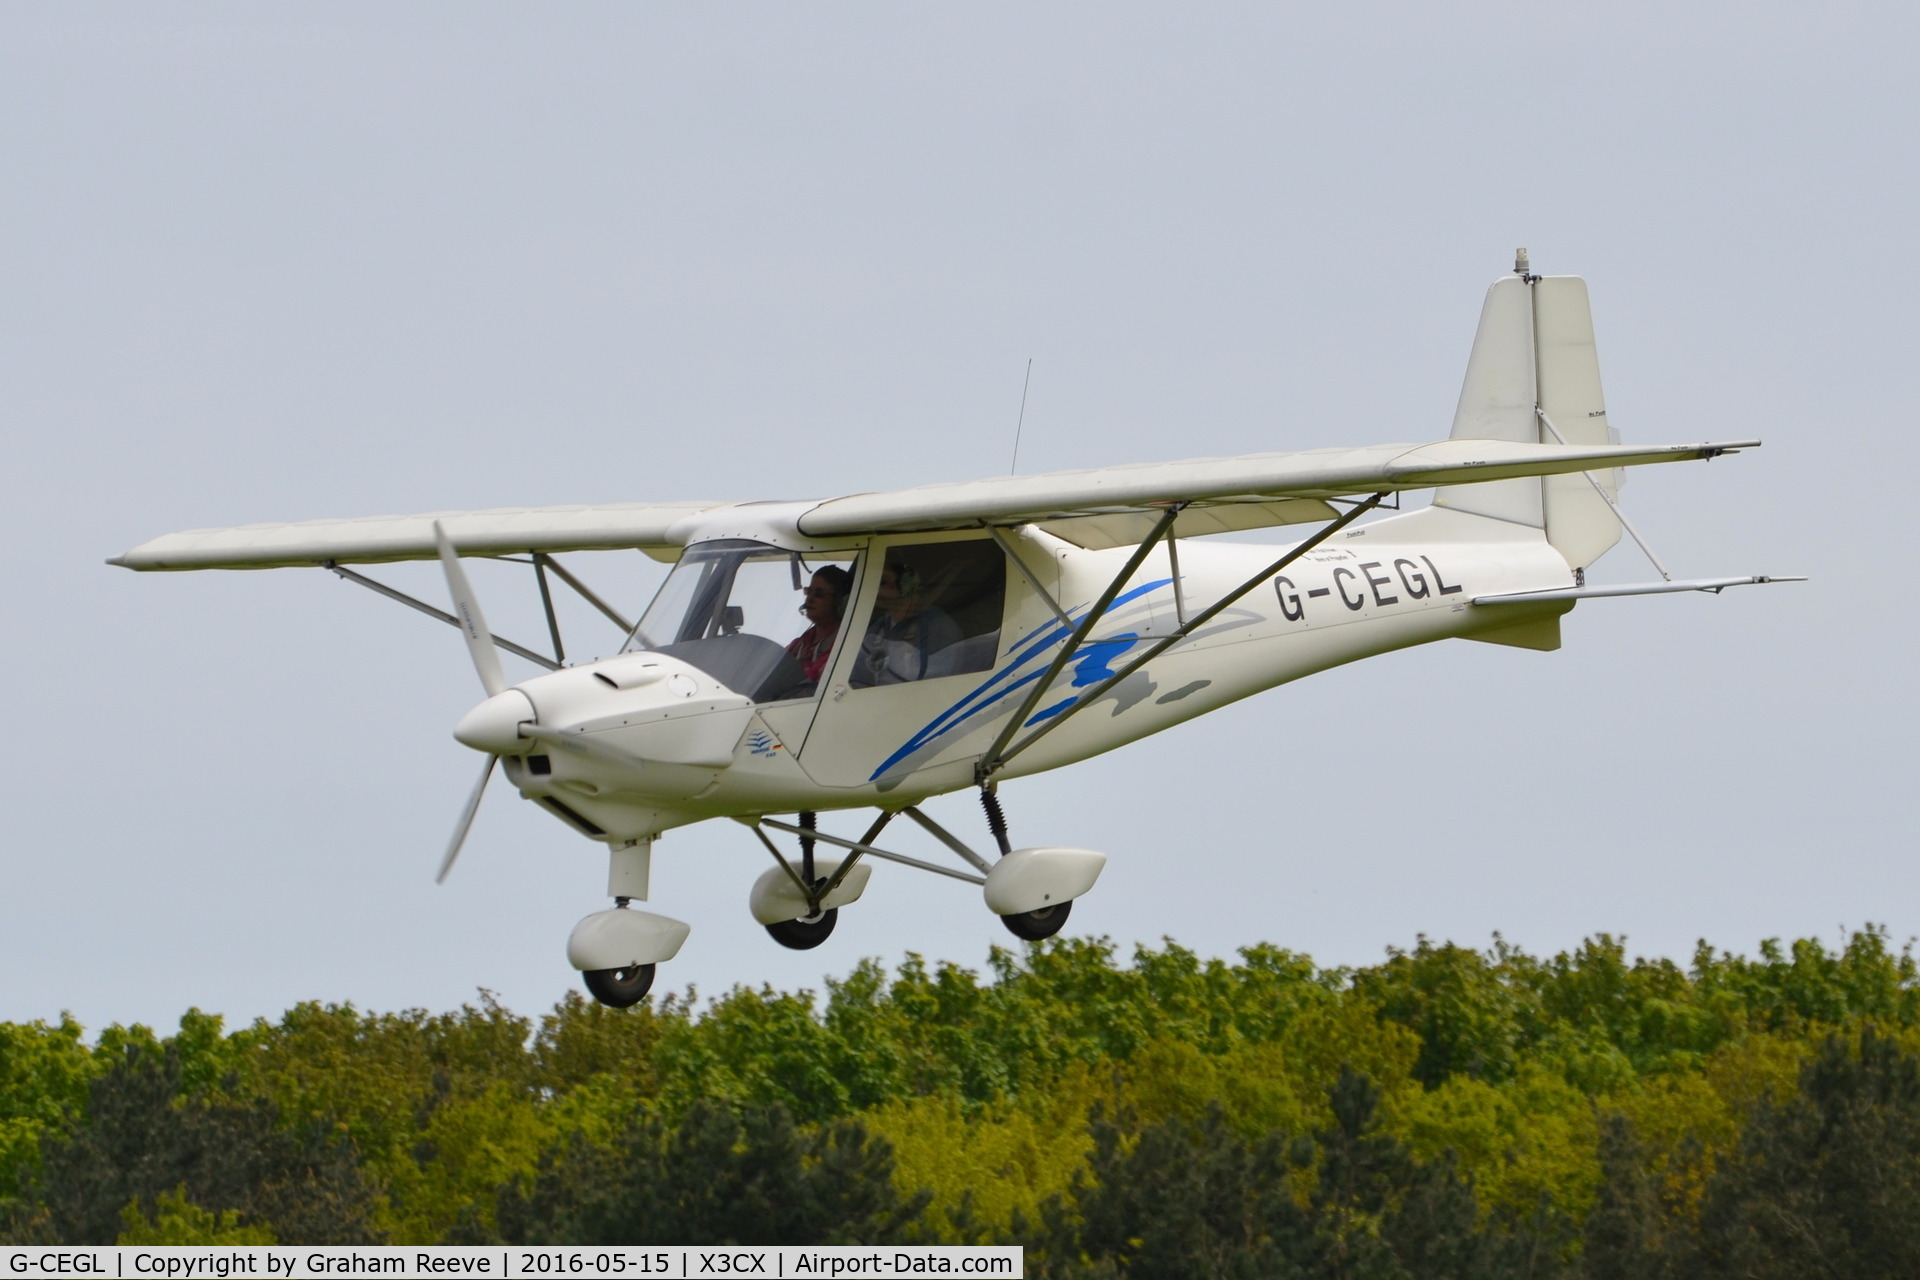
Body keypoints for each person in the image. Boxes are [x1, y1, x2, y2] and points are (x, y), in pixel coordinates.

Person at [851, 560, 963, 687]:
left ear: (906, 582)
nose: (873, 589)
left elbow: (936, 687)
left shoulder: (938, 627)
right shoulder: (878, 628)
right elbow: (857, 679)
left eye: (881, 580)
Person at [786, 564, 852, 687]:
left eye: (819, 593)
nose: (810, 598)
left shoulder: (846, 644)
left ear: (840, 601)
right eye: (809, 591)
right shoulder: (799, 644)